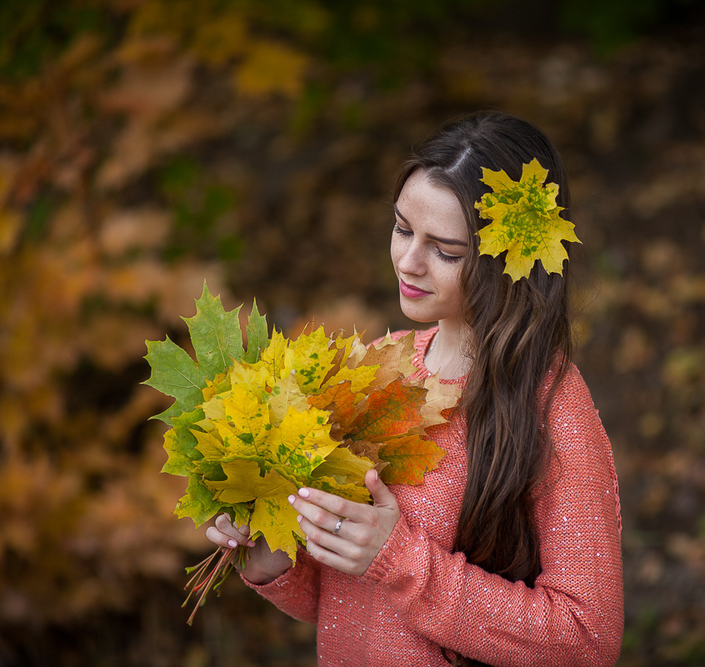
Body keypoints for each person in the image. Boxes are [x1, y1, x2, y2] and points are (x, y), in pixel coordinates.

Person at [205, 111, 624, 666]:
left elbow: (586, 639)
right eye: (403, 229)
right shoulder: (382, 365)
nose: (408, 261)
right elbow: (354, 603)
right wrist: (276, 565)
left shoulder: (552, 407)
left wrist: (400, 559)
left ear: (512, 259)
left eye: (446, 251)